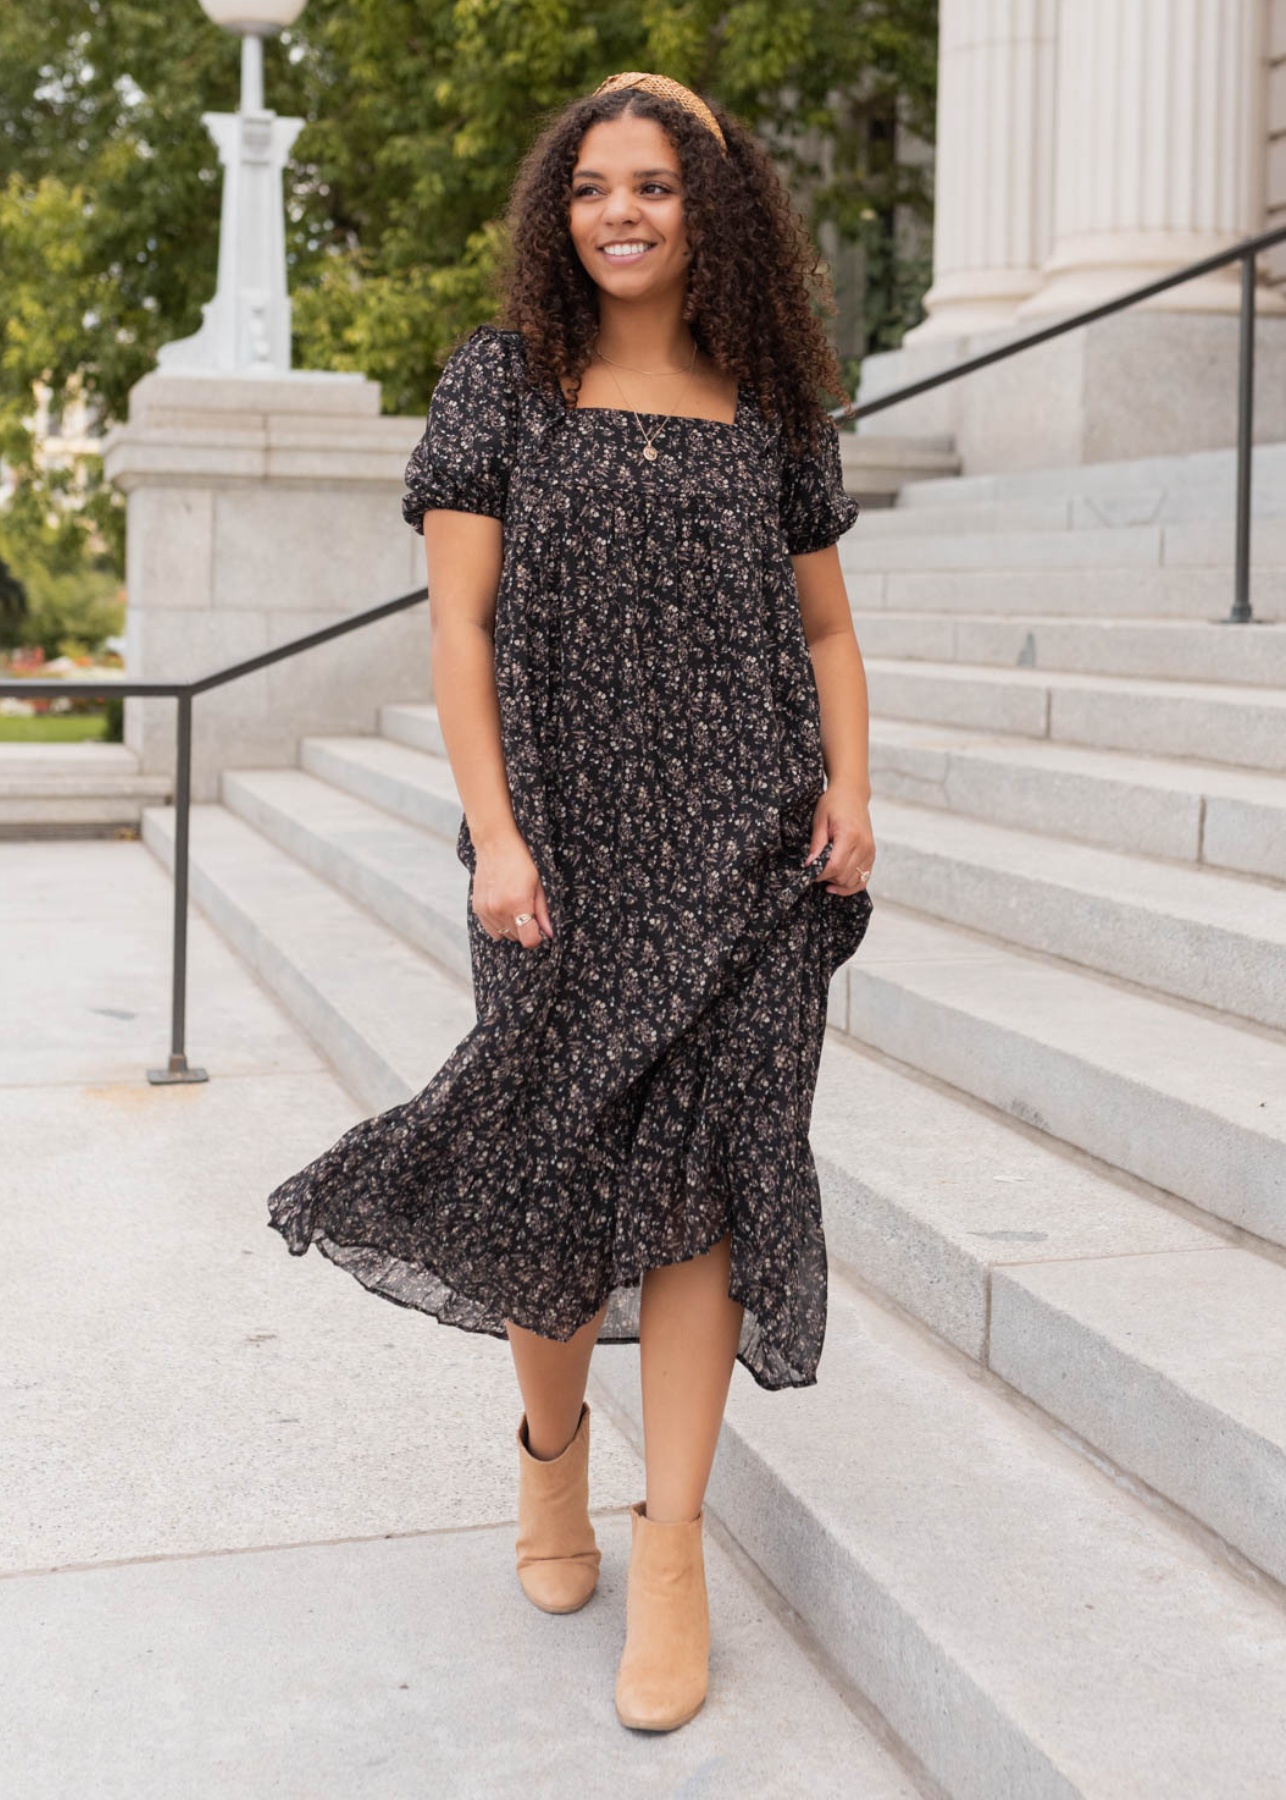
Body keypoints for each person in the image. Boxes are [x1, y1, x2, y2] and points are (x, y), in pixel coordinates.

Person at [265, 68, 875, 1733]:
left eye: (659, 185)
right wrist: (498, 836)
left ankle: (667, 1549)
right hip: (565, 854)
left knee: (715, 1194)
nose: (623, 209)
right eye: (596, 183)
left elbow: (824, 632)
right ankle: (551, 1457)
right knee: (561, 1186)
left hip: (751, 847)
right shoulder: (503, 387)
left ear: (710, 210)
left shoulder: (771, 406)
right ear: (561, 209)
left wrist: (854, 793)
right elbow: (457, 630)